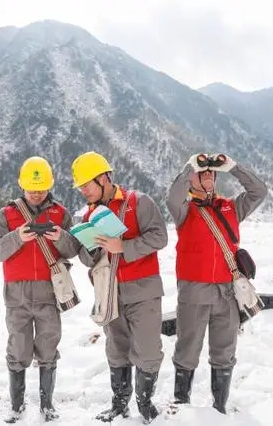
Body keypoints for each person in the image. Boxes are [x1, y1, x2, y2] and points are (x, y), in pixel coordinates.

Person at [71, 151, 168, 424]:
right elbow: (85, 256)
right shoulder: (88, 215)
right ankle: (119, 404)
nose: (83, 192)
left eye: (87, 185)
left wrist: (123, 247)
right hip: (109, 292)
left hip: (144, 290)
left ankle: (145, 405)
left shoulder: (139, 202)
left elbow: (160, 237)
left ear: (104, 178)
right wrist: (90, 248)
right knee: (116, 349)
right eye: (80, 187)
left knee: (148, 351)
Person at [166, 152, 268, 414]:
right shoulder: (184, 211)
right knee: (187, 349)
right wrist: (190, 165)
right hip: (194, 291)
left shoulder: (230, 207)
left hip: (227, 292)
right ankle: (181, 405)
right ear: (191, 180)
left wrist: (233, 167)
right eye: (203, 173)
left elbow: (259, 191)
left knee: (224, 351)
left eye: (212, 172)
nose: (209, 175)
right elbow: (172, 197)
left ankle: (219, 408)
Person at [0, 156, 80, 423]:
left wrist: (61, 237)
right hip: (17, 295)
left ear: (49, 186)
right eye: (32, 189)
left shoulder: (61, 213)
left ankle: (47, 405)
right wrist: (18, 237)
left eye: (41, 189)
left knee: (48, 347)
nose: (37, 195)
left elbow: (75, 249)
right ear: (22, 187)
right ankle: (16, 407)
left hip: (50, 293)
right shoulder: (6, 215)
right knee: (19, 348)